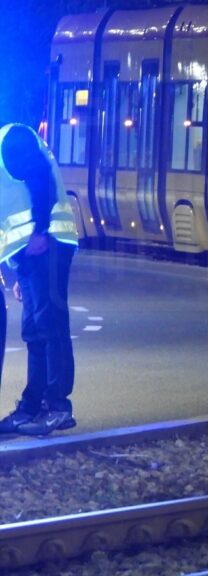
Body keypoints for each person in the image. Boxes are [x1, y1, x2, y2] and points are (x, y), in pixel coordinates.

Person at [0, 124, 79, 437]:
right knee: (34, 328)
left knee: (50, 324)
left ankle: (57, 405)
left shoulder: (11, 138)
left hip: (48, 244)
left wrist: (41, 231)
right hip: (32, 254)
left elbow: (40, 176)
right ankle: (33, 404)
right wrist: (17, 269)